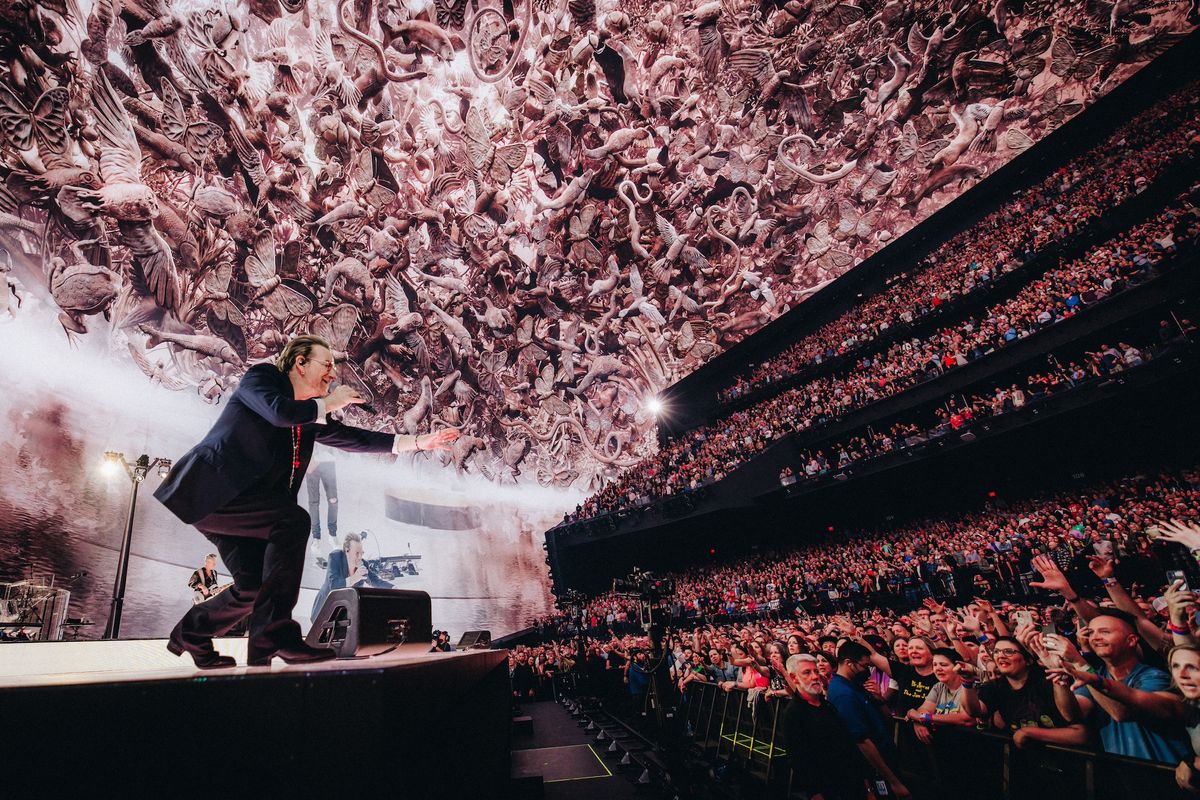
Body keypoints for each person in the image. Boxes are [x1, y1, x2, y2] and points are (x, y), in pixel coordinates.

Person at [156, 335, 459, 668]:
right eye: (326, 365)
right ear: (299, 363)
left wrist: (418, 442)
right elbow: (278, 412)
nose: (332, 375)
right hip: (212, 490)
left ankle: (192, 633)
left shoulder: (308, 416)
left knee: (253, 588)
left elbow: (353, 438)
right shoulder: (264, 378)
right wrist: (329, 403)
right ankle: (272, 637)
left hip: (241, 506)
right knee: (294, 521)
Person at [827, 641, 911, 798]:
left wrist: (878, 698)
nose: (868, 670)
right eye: (865, 666)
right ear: (849, 664)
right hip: (876, 768)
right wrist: (893, 781)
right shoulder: (843, 693)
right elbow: (862, 741)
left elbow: (886, 718)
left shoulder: (856, 685)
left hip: (886, 756)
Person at [782, 654, 871, 800]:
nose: (815, 676)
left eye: (816, 671)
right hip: (828, 790)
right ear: (793, 678)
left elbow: (850, 747)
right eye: (807, 672)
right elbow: (800, 760)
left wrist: (867, 787)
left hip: (853, 785)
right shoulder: (793, 714)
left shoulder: (828, 706)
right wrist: (815, 794)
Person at [309, 531, 394, 622]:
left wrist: (392, 587)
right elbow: (333, 585)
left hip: (345, 613)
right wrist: (354, 578)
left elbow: (374, 580)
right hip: (325, 608)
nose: (360, 557)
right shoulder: (335, 557)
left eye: (362, 553)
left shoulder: (363, 563)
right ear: (347, 550)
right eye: (357, 553)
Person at [304, 447, 338, 550]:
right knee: (313, 502)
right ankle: (316, 537)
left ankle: (332, 535)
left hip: (328, 461)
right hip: (312, 462)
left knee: (333, 500)